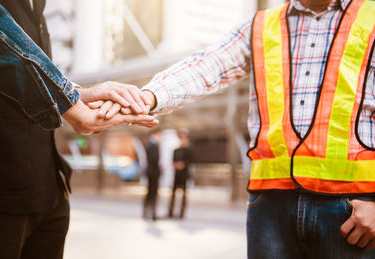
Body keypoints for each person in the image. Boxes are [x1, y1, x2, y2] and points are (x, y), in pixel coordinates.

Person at [99, 0, 375, 257]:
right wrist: (147, 97)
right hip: (270, 207)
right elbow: (208, 65)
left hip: (354, 210)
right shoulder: (261, 26)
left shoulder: (370, 17)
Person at [0, 0, 157, 258]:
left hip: (50, 193)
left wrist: (78, 94)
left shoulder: (38, 8)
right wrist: (71, 101)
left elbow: (32, 69)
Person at [168, 129, 194, 219]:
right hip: (177, 175)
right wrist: (176, 165)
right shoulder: (176, 150)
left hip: (184, 175)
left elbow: (191, 161)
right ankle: (170, 212)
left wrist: (183, 165)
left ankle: (181, 213)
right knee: (173, 194)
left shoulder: (189, 150)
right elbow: (173, 161)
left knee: (184, 194)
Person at [143, 130, 161, 221]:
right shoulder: (153, 145)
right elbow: (154, 160)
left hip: (150, 172)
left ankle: (146, 212)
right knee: (153, 193)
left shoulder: (148, 144)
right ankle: (152, 213)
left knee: (149, 192)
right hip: (153, 173)